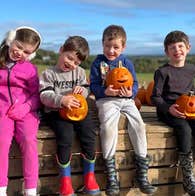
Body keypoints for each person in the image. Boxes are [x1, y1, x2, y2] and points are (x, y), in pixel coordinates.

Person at [90, 24, 157, 195]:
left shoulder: (126, 62)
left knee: (138, 125)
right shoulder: (98, 62)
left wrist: (131, 92)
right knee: (108, 127)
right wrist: (104, 91)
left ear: (123, 47)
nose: (111, 50)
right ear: (102, 43)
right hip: (106, 100)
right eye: (107, 46)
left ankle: (142, 172)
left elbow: (134, 83)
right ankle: (111, 173)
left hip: (126, 100)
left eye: (115, 47)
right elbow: (94, 86)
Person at [39, 36, 100, 196]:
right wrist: (62, 99)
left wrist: (83, 91)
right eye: (69, 57)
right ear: (61, 50)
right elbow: (44, 95)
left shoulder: (79, 73)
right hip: (55, 112)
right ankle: (65, 181)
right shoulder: (49, 74)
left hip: (78, 111)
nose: (71, 64)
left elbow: (86, 89)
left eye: (76, 62)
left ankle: (90, 177)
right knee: (65, 137)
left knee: (89, 133)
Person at [151, 30, 195, 195]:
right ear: (166, 52)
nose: (177, 50)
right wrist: (168, 108)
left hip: (188, 109)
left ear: (188, 48)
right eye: (172, 47)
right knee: (184, 129)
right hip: (168, 110)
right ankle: (187, 178)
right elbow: (155, 97)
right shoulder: (162, 72)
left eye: (180, 46)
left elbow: (191, 90)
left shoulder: (191, 69)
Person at [0, 26, 41, 196]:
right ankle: (1, 188)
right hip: (2, 110)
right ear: (11, 40)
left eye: (26, 51)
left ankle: (30, 189)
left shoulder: (30, 69)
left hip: (26, 110)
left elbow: (37, 95)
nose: (19, 53)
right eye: (18, 46)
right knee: (1, 139)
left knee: (29, 139)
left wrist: (26, 106)